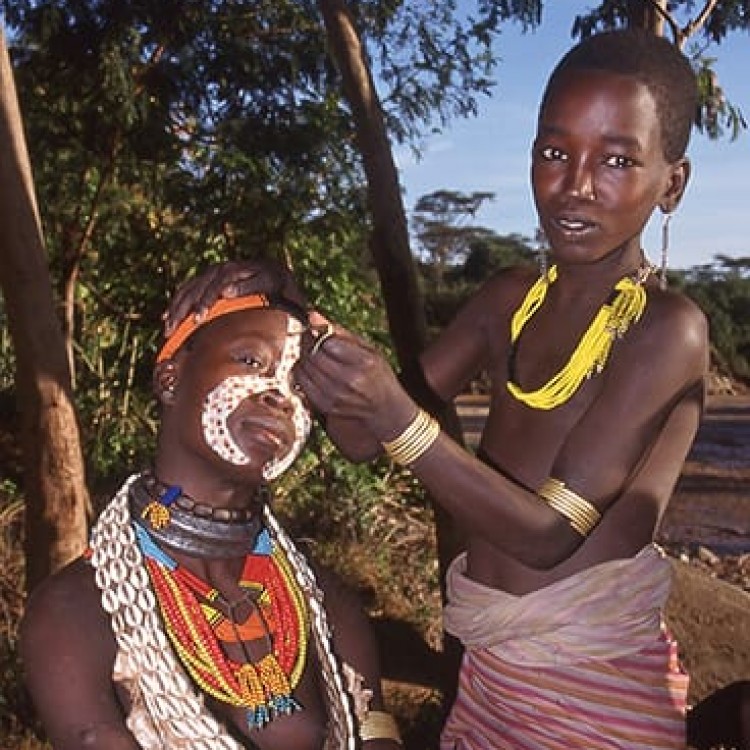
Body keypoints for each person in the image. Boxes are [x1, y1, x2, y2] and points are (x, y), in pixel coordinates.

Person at [171, 28, 711, 749]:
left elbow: (549, 535)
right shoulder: (507, 301)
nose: (576, 184)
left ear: (671, 182)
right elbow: (362, 436)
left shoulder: (666, 331)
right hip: (489, 678)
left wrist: (397, 416)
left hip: (595, 689)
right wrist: (292, 312)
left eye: (617, 159)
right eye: (555, 152)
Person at [20, 276, 403, 750]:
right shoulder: (73, 613)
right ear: (170, 378)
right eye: (249, 361)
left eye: (299, 387)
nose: (278, 396)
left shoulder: (325, 605)